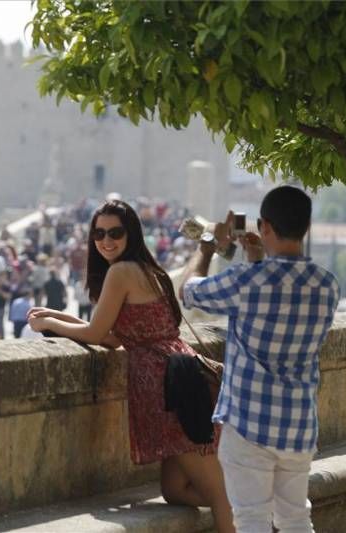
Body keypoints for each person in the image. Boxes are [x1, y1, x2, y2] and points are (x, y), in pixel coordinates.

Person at [27, 200, 234, 533]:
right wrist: (58, 317)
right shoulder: (147, 268)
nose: (106, 240)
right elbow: (114, 337)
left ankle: (246, 507)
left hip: (172, 389)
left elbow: (97, 334)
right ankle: (250, 503)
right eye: (99, 233)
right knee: (175, 491)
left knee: (219, 493)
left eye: (115, 232)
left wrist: (49, 326)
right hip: (174, 380)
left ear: (131, 234)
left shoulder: (121, 272)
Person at [179, 186, 340, 533]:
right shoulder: (327, 286)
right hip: (298, 422)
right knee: (296, 518)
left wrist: (206, 247)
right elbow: (279, 302)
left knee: (251, 520)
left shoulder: (247, 282)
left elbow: (190, 291)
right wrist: (256, 260)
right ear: (306, 227)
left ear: (264, 226)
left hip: (248, 424)